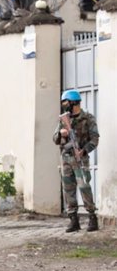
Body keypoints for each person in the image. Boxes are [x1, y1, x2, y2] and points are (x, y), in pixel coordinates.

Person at [52, 89, 100, 232]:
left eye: (66, 102)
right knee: (68, 189)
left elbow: (95, 139)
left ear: (74, 102)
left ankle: (92, 217)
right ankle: (73, 220)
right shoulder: (64, 120)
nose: (64, 105)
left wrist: (84, 150)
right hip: (66, 159)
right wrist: (61, 134)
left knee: (84, 187)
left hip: (80, 159)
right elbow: (55, 139)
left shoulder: (88, 118)